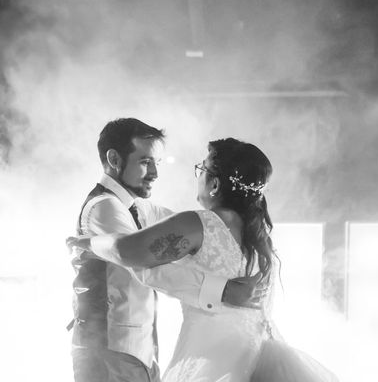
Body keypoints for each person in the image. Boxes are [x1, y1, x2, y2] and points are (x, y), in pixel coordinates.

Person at [69, 138, 282, 381]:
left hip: (209, 361)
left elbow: (130, 253)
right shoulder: (259, 237)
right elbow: (152, 214)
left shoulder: (199, 223)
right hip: (255, 357)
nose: (197, 176)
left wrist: (90, 243)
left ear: (214, 184)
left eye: (201, 169)